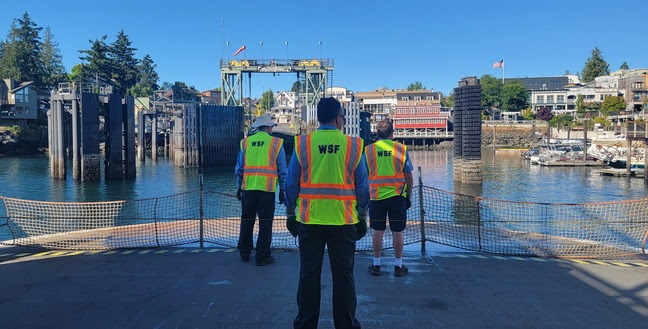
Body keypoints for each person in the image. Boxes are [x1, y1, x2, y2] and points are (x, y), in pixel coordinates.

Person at [285, 97, 369, 329]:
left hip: (309, 222)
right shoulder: (353, 145)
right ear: (337, 118)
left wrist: (291, 213)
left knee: (309, 275)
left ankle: (305, 323)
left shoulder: (302, 144)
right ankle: (346, 324)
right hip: (343, 223)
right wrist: (362, 215)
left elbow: (291, 185)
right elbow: (362, 187)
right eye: (342, 116)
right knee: (343, 277)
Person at [235, 113, 287, 266]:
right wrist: (282, 189)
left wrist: (238, 187)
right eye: (271, 126)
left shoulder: (245, 143)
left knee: (247, 221)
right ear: (268, 127)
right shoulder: (276, 143)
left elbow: (239, 168)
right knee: (265, 224)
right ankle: (262, 256)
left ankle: (244, 253)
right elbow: (282, 170)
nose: (272, 129)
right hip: (267, 190)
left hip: (248, 189)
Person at [365, 120, 414, 277]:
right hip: (397, 197)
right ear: (392, 134)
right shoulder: (400, 149)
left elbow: (362, 175)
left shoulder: (369, 150)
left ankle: (376, 264)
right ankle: (398, 266)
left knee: (377, 231)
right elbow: (408, 176)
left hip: (376, 197)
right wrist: (408, 196)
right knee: (397, 231)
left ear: (377, 134)